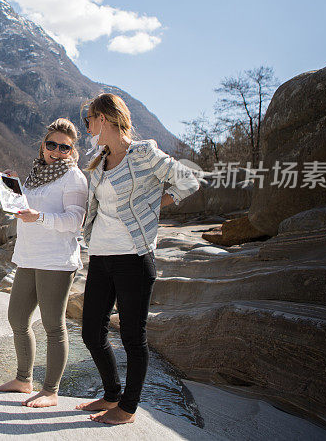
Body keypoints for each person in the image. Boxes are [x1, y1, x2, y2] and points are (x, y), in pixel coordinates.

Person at [75, 93, 200, 425]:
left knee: (132, 337)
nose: (86, 126)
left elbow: (190, 179)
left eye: (89, 119)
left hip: (134, 256)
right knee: (91, 333)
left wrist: (154, 205)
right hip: (101, 256)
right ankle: (111, 394)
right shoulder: (99, 158)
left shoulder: (143, 153)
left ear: (105, 118)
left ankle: (127, 409)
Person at [0, 118, 88, 408]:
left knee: (53, 326)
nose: (57, 151)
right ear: (43, 146)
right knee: (18, 318)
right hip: (28, 257)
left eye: (64, 147)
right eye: (52, 144)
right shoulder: (36, 175)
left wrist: (39, 217)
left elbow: (75, 222)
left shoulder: (74, 178)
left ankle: (51, 391)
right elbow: (25, 210)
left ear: (72, 151)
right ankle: (23, 380)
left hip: (56, 261)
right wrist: (13, 189)